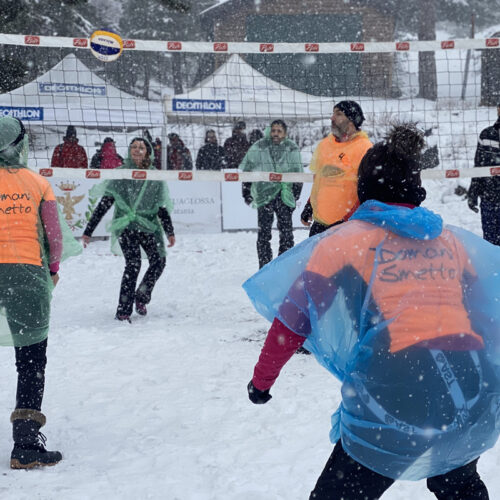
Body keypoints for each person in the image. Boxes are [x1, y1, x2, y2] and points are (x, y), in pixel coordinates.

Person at [245, 123, 500, 499]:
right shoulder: (448, 240)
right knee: (455, 478)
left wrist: (261, 382)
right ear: (415, 187)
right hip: (471, 383)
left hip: (401, 382)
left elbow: (292, 321)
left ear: (363, 186)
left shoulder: (342, 242)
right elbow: (485, 315)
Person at [0, 116, 81, 469]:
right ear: (20, 145)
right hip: (26, 273)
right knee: (30, 360)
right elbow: (55, 237)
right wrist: (52, 270)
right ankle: (26, 443)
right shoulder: (37, 184)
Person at [82, 137, 175, 322]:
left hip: (149, 226)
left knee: (159, 261)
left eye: (141, 147)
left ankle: (141, 296)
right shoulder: (121, 173)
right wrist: (88, 231)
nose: (137, 150)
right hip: (126, 225)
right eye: (133, 147)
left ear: (148, 151)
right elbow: (105, 203)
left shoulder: (154, 176)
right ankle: (123, 311)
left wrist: (169, 231)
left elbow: (161, 207)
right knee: (133, 264)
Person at [300, 101, 372, 236]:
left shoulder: (365, 148)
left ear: (352, 120)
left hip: (348, 226)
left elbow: (367, 192)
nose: (332, 118)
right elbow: (320, 181)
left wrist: (348, 219)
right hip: (320, 224)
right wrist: (309, 205)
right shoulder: (325, 145)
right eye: (333, 114)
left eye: (338, 114)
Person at [240, 120, 303, 268]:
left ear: (285, 133)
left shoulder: (291, 148)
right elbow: (247, 169)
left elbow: (298, 173)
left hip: (284, 195)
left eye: (279, 131)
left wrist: (295, 194)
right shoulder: (260, 147)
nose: (275, 133)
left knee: (286, 233)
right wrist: (246, 191)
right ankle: (264, 267)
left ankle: (284, 267)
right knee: (263, 235)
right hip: (264, 195)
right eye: (273, 130)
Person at [467, 102, 500, 245]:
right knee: (491, 244)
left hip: (490, 198)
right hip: (489, 198)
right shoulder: (486, 135)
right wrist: (473, 191)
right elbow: (478, 166)